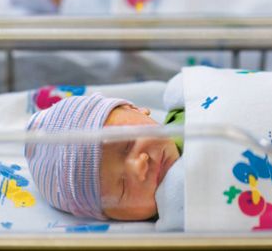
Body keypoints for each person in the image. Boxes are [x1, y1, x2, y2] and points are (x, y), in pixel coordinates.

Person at [25, 92, 181, 221]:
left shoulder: (184, 107)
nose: (139, 166)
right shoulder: (181, 218)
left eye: (128, 144)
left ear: (136, 109)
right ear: (109, 216)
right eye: (123, 188)